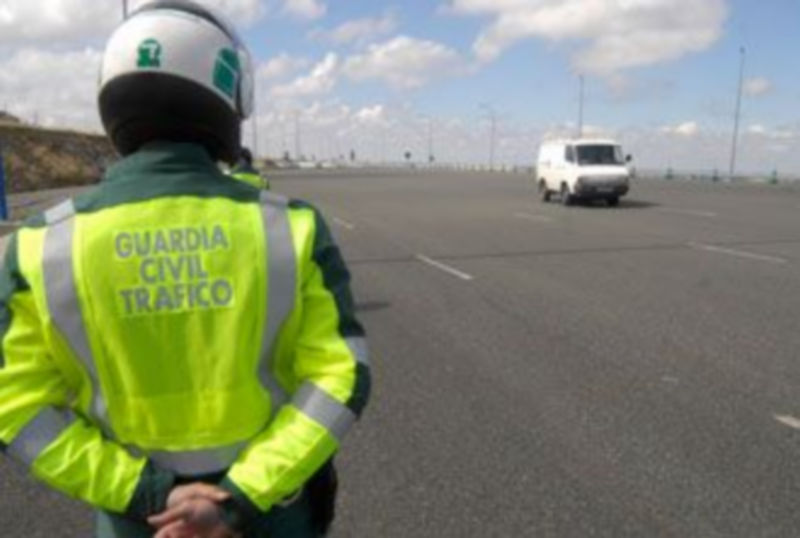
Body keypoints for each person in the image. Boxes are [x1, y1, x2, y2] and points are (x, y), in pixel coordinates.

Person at [0, 2, 370, 537]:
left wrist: (147, 493)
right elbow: (341, 377)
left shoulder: (41, 246)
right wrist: (240, 496)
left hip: (141, 521)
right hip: (268, 514)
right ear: (224, 96)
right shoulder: (290, 229)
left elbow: (14, 407)